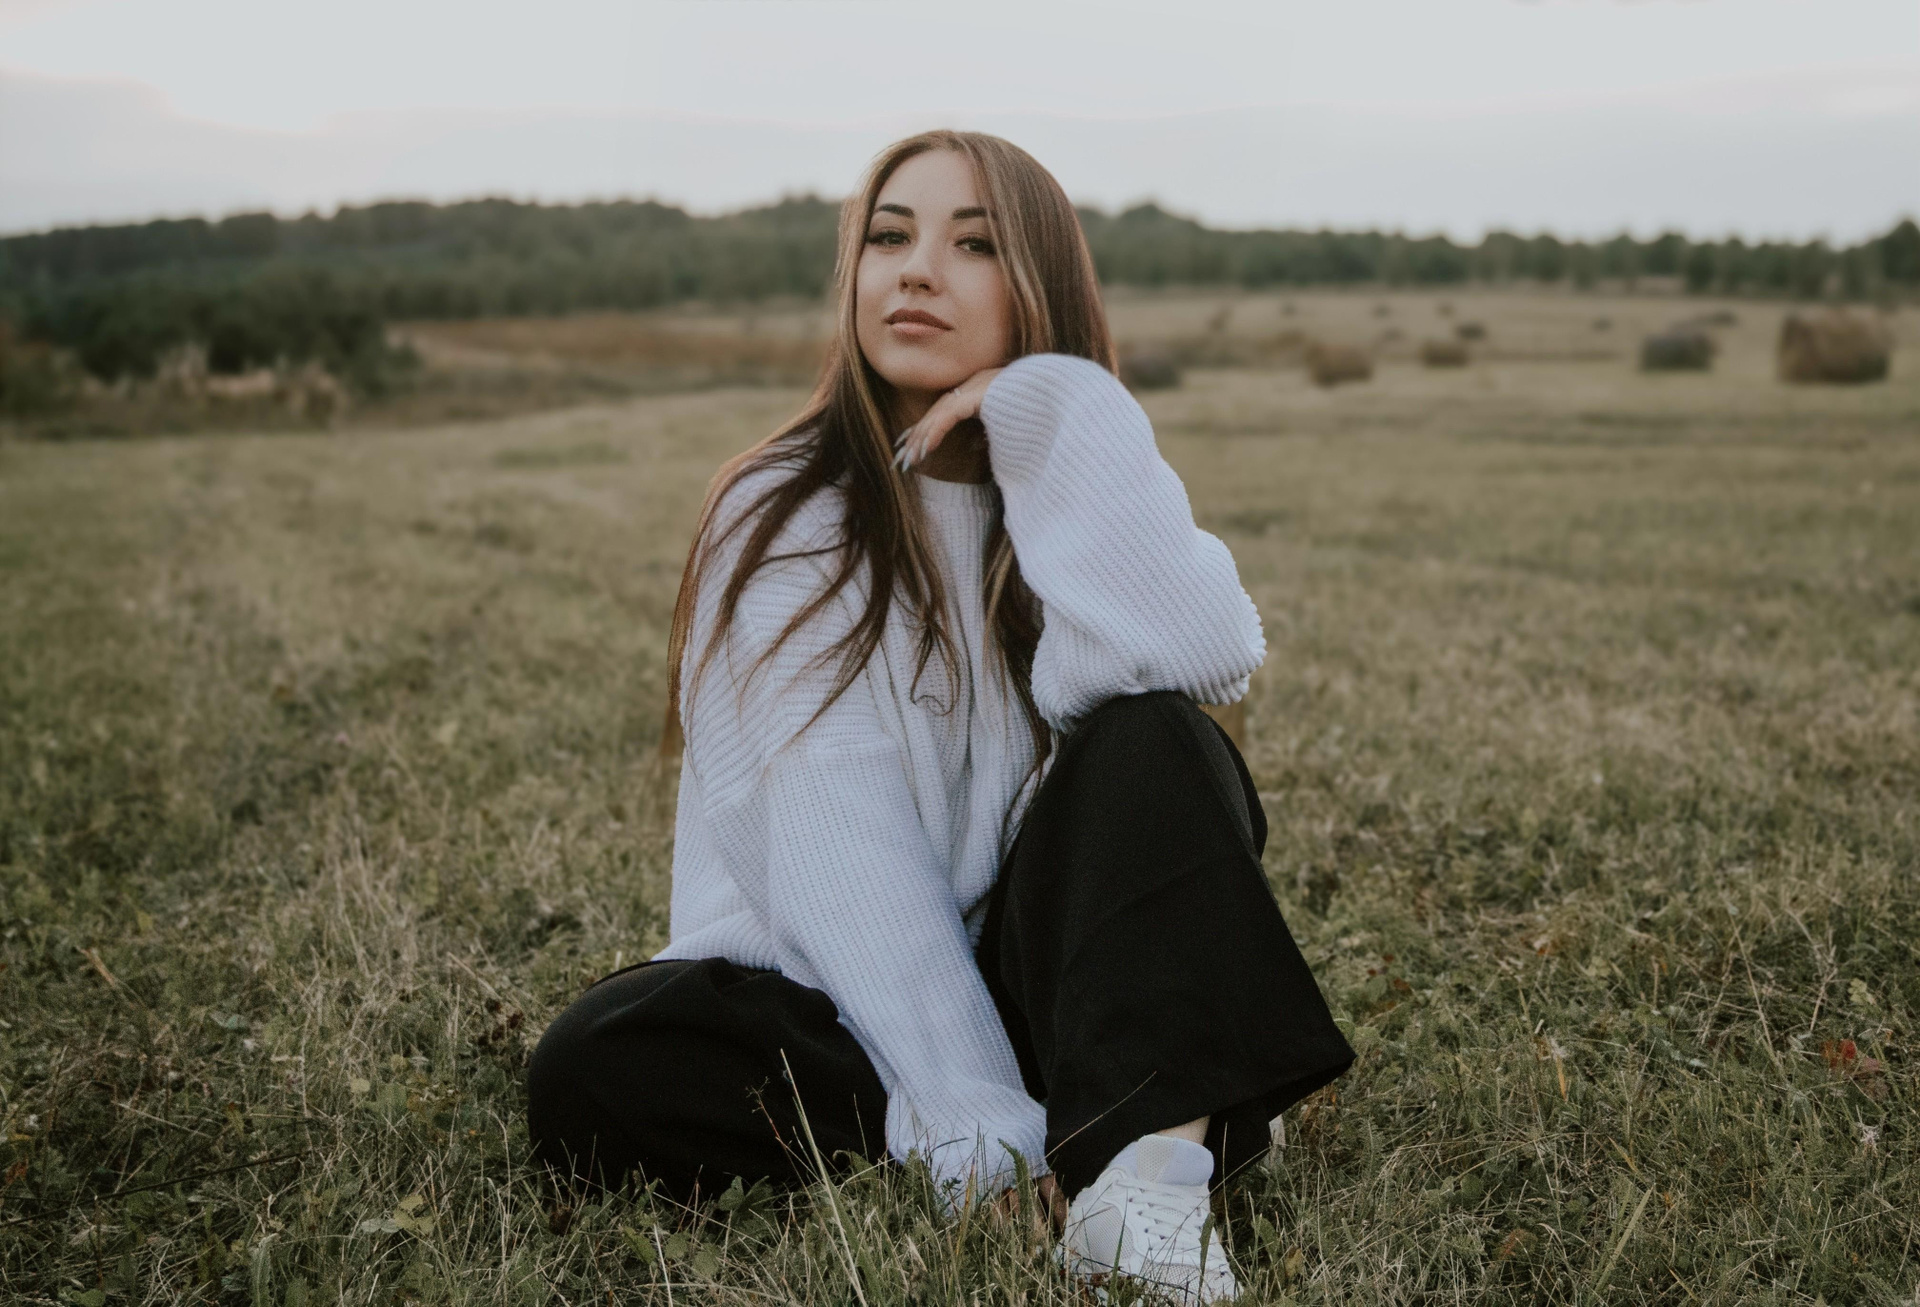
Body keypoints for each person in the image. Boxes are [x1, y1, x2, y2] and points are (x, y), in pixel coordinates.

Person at [526, 129, 1354, 1304]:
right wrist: (977, 1122)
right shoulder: (781, 509)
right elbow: (837, 850)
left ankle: (1143, 1189)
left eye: (974, 245)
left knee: (1162, 739)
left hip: (1024, 975)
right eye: (888, 236)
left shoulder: (1054, 503)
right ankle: (1117, 1109)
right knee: (600, 1059)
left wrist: (1059, 410)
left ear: (1041, 287)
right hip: (828, 989)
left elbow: (1201, 652)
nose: (916, 270)